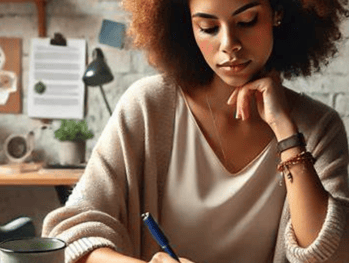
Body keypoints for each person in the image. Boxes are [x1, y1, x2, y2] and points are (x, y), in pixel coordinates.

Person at [42, 0, 349, 262]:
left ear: (278, 13)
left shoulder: (319, 128)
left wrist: (287, 134)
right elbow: (70, 232)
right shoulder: (149, 107)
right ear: (185, 26)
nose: (229, 44)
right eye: (208, 27)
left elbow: (332, 256)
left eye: (246, 20)